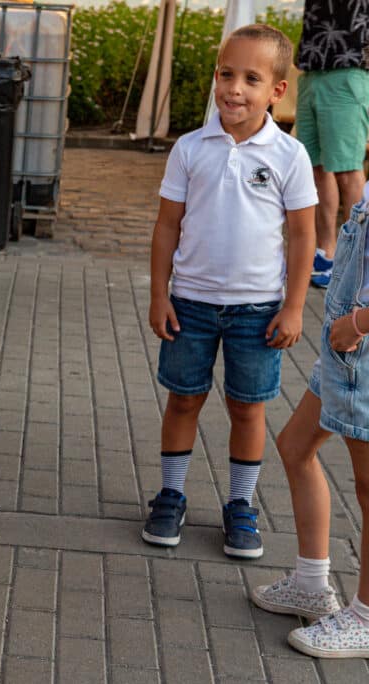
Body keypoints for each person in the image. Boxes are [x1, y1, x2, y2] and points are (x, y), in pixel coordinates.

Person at [142, 25, 317, 560]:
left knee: (247, 410)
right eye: (226, 74)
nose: (234, 89)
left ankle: (241, 504)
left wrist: (294, 307)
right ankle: (171, 495)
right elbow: (167, 225)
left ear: (277, 91)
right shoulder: (190, 148)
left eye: (250, 79)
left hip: (258, 311)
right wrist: (159, 295)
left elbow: (303, 235)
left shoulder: (289, 155)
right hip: (190, 304)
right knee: (183, 399)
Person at [249, 183, 369, 658]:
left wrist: (358, 324)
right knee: (296, 445)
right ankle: (312, 584)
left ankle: (365, 618)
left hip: (359, 342)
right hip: (346, 345)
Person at [296, 3, 369, 289]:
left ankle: (355, 264)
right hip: (311, 70)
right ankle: (327, 253)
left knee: (347, 170)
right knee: (315, 169)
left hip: (349, 70)